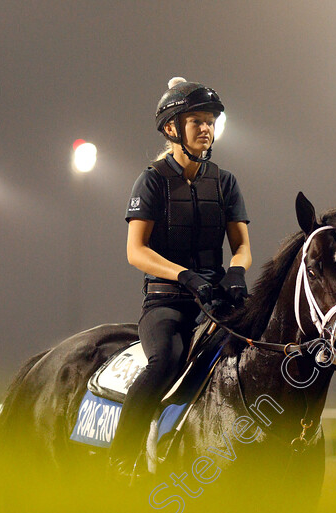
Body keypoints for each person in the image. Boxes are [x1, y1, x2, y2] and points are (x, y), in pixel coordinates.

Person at [108, 77, 252, 481]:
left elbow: (242, 246)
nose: (206, 129)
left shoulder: (225, 183)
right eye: (197, 121)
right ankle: (121, 459)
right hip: (166, 302)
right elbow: (135, 251)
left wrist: (237, 272)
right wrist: (184, 276)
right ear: (173, 128)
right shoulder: (151, 181)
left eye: (210, 121)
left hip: (218, 301)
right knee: (164, 362)